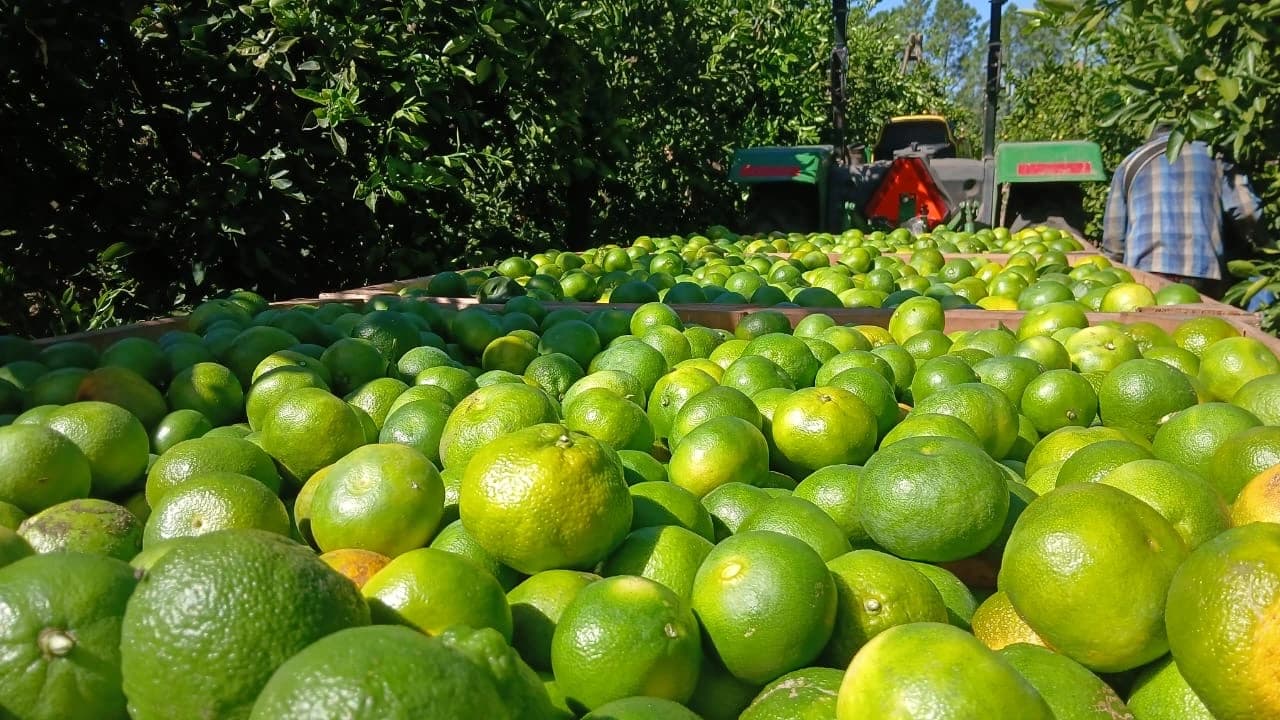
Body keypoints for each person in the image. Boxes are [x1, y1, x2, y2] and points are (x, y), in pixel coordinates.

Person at [1101, 122, 1265, 297]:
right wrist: (1263, 247)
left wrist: (1118, 272)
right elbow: (1248, 212)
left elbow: (1113, 239)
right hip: (1202, 268)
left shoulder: (1131, 162)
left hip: (1146, 270)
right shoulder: (1214, 155)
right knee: (1203, 322)